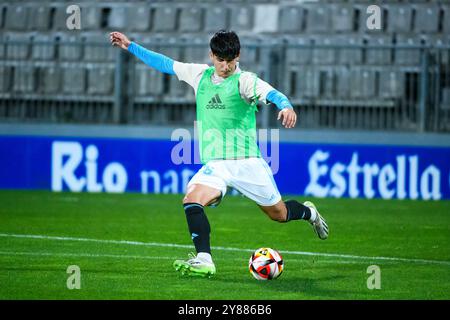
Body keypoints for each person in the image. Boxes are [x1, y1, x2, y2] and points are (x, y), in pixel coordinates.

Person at [110, 30, 329, 278]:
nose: (225, 66)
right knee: (191, 199)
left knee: (279, 214)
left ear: (238, 56)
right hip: (216, 165)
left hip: (247, 162)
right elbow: (165, 63)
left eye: (230, 60)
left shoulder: (245, 81)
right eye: (220, 60)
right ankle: (204, 259)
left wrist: (286, 106)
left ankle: (309, 213)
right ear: (212, 55)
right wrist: (131, 46)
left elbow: (273, 93)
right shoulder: (199, 75)